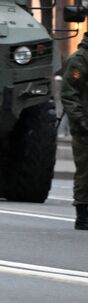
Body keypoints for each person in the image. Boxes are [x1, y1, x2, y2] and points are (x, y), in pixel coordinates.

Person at [59, 38, 88, 230]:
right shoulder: (79, 59)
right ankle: (83, 215)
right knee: (86, 171)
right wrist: (80, 119)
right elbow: (69, 92)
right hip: (85, 127)